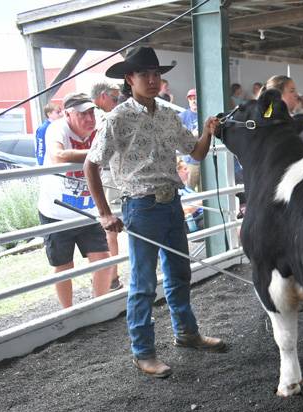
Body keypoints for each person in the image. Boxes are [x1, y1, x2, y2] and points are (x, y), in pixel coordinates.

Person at [85, 46, 226, 378]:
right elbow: (91, 165)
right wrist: (105, 213)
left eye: (156, 74)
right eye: (144, 74)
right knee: (144, 283)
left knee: (179, 274)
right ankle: (143, 352)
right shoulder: (117, 118)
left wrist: (207, 132)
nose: (152, 79)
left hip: (171, 203)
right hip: (141, 206)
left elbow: (195, 152)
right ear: (129, 79)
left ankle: (186, 333)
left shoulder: (167, 113)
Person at [36, 92, 111, 308]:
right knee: (63, 266)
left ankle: (100, 307)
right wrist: (98, 152)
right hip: (56, 212)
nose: (89, 119)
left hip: (88, 211)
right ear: (68, 114)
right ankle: (67, 313)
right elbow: (58, 155)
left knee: (103, 260)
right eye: (82, 114)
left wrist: (100, 151)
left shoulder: (99, 129)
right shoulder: (57, 128)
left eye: (91, 113)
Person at [90, 81, 123, 291]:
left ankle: (111, 276)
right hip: (108, 175)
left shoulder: (100, 115)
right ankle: (112, 276)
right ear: (102, 97)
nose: (117, 102)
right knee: (110, 228)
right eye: (114, 98)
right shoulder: (100, 116)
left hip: (110, 175)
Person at [179, 88, 201, 190]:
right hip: (190, 161)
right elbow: (176, 136)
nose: (194, 101)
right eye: (191, 98)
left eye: (195, 98)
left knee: (206, 193)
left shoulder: (206, 113)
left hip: (206, 160)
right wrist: (193, 134)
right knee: (189, 191)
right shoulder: (182, 116)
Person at [177, 159, 203, 233]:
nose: (188, 171)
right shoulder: (177, 191)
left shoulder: (185, 188)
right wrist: (204, 201)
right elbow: (184, 211)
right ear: (177, 172)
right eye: (185, 169)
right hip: (196, 221)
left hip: (204, 215)